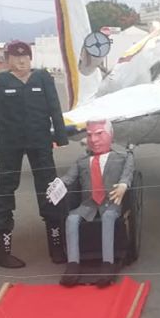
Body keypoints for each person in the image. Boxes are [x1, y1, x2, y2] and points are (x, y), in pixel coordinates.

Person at [0, 40, 69, 268]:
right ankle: (2, 252)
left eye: (25, 57)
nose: (21, 61)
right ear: (7, 60)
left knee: (49, 189)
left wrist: (61, 137)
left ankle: (57, 246)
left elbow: (55, 108)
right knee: (5, 192)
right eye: (16, 58)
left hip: (40, 143)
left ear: (31, 58)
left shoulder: (43, 78)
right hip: (9, 145)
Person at [51, 119, 134, 288]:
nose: (94, 140)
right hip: (88, 204)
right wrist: (57, 185)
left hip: (111, 202)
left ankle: (107, 263)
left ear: (110, 135)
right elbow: (69, 178)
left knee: (108, 217)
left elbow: (128, 174)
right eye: (90, 135)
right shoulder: (81, 160)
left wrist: (124, 185)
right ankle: (73, 264)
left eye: (99, 134)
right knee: (71, 219)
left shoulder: (123, 156)